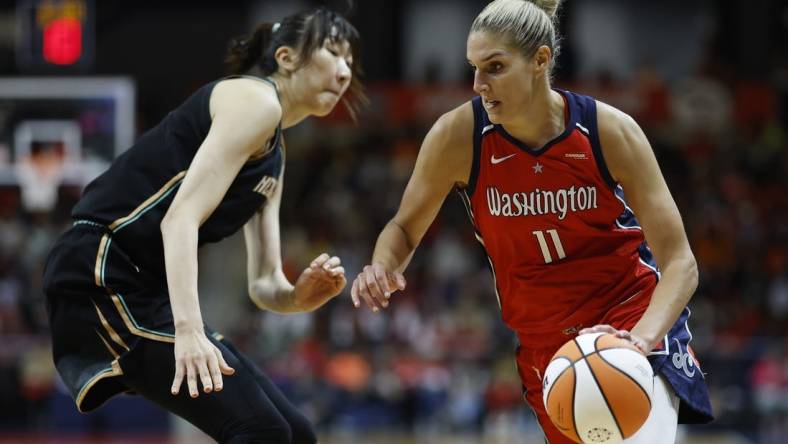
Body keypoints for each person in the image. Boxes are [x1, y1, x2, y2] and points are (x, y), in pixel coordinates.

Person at [350, 0, 713, 442]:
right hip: (545, 345)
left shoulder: (609, 131)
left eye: (495, 67)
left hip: (629, 319)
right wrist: (382, 266)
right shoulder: (457, 136)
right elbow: (404, 228)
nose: (479, 84)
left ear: (541, 59)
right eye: (474, 68)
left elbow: (681, 264)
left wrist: (637, 341)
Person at [43, 7, 360, 443]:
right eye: (333, 52)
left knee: (296, 433)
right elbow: (179, 221)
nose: (345, 72)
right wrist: (190, 332)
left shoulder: (275, 154)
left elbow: (264, 285)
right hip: (101, 267)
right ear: (286, 58)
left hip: (143, 286)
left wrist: (299, 296)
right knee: (260, 430)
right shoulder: (255, 101)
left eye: (351, 61)